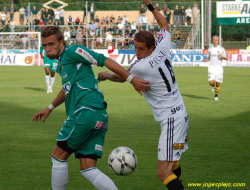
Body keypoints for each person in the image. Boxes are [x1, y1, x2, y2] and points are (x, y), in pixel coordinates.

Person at [32, 26, 149, 190]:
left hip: (85, 111)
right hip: (99, 115)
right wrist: (50, 107)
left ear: (61, 42)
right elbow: (67, 88)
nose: (47, 49)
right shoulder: (63, 64)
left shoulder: (72, 52)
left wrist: (131, 79)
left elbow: (103, 60)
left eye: (51, 44)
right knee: (88, 167)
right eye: (44, 45)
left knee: (58, 157)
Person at [98, 1, 188, 190]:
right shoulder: (163, 47)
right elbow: (164, 25)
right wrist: (151, 7)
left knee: (163, 172)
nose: (137, 52)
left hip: (172, 119)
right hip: (179, 116)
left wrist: (105, 75)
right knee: (172, 164)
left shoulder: (141, 66)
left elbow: (122, 76)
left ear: (151, 48)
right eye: (135, 47)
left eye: (141, 49)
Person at [204, 35, 227, 101]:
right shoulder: (210, 49)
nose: (215, 41)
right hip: (211, 67)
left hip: (218, 68)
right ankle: (212, 86)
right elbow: (208, 57)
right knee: (211, 82)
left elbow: (226, 58)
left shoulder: (221, 49)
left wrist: (222, 56)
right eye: (214, 40)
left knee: (218, 83)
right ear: (213, 40)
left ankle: (216, 96)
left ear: (218, 40)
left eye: (216, 40)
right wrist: (206, 60)